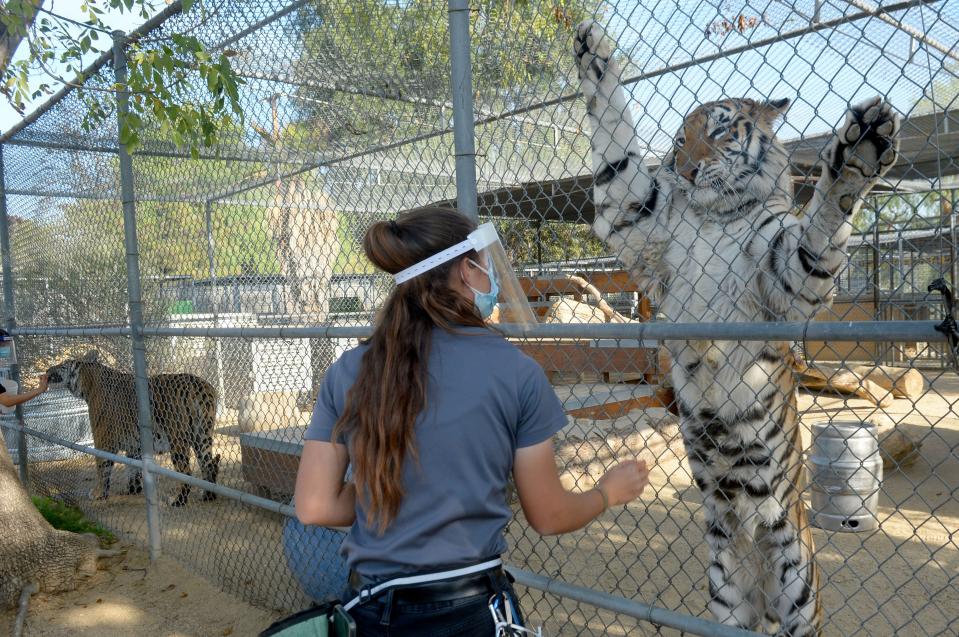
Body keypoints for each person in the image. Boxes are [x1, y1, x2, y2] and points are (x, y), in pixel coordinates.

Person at [294, 208, 650, 636]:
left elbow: (314, 507)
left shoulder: (349, 370)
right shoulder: (516, 372)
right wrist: (606, 493)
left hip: (374, 613)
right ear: (466, 270)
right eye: (487, 265)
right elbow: (550, 515)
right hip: (472, 612)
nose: (492, 279)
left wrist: (392, 489)